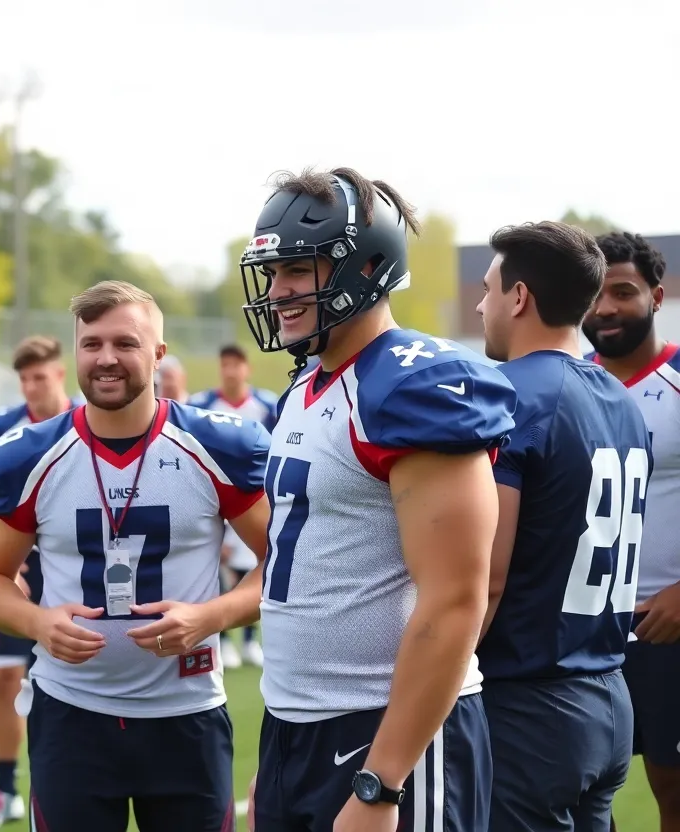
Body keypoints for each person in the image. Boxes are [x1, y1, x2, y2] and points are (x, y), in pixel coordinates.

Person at [239, 167, 517, 832]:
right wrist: (285, 748)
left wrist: (380, 781)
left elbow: (454, 602)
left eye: (296, 270)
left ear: (364, 268)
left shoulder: (410, 387)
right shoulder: (308, 384)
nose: (277, 293)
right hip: (299, 726)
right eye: (271, 273)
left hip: (383, 734)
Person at [0, 280, 273, 832]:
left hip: (186, 713)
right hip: (71, 716)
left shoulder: (216, 447)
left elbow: (282, 563)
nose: (106, 358)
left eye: (125, 343)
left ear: (158, 353)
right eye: (92, 344)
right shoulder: (31, 456)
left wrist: (212, 617)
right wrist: (39, 622)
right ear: (76, 353)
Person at [475, 221, 648, 830]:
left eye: (489, 288)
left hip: (529, 704)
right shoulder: (624, 399)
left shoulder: (507, 394)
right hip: (608, 690)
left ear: (519, 297)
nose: (480, 304)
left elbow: (485, 578)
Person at [583, 230, 680, 830]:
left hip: (667, 630)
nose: (607, 308)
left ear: (657, 296)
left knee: (673, 795)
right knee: (579, 794)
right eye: (595, 294)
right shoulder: (565, 384)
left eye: (623, 291)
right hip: (581, 633)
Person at [0, 335, 72, 832]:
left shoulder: (87, 420)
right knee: (7, 677)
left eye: (40, 377)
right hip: (19, 570)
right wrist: (4, 563)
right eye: (24, 378)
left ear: (60, 375)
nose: (31, 387)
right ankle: (4, 789)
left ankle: (65, 786)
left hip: (72, 572)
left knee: (69, 680)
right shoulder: (4, 428)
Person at [188, 344, 280, 669]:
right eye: (224, 365)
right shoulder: (201, 406)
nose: (230, 371)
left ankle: (251, 640)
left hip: (253, 499)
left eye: (236, 365)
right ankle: (224, 640)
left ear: (246, 369)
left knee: (258, 565)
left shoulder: (267, 405)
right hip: (214, 500)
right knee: (217, 568)